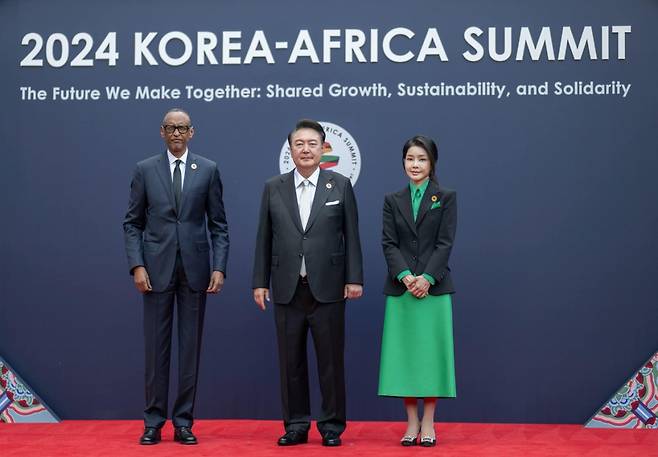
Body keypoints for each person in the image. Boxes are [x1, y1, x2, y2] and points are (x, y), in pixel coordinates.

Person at [252, 119, 363, 447]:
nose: (305, 149)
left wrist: (354, 277)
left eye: (312, 143)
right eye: (299, 143)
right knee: (291, 363)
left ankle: (331, 427)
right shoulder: (274, 187)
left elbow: (352, 236)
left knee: (330, 362)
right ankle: (296, 425)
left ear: (323, 148)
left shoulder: (340, 185)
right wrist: (260, 281)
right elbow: (264, 238)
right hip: (287, 287)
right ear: (290, 149)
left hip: (328, 288)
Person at [123, 108, 229, 445]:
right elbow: (132, 223)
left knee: (189, 350)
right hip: (155, 272)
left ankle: (184, 422)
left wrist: (219, 266)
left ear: (192, 132)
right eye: (171, 128)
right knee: (156, 351)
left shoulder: (208, 170)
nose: (177, 134)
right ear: (162, 132)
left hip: (196, 272)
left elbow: (219, 226)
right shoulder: (145, 170)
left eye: (182, 128)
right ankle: (153, 422)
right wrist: (137, 265)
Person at [378, 135, 457, 447]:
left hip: (433, 291)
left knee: (430, 358)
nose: (415, 164)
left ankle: (429, 422)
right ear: (403, 162)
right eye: (410, 158)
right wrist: (405, 276)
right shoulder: (392, 199)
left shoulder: (445, 197)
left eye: (421, 159)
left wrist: (426, 278)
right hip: (402, 291)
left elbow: (445, 242)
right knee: (406, 358)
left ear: (432, 163)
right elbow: (388, 242)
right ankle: (411, 423)